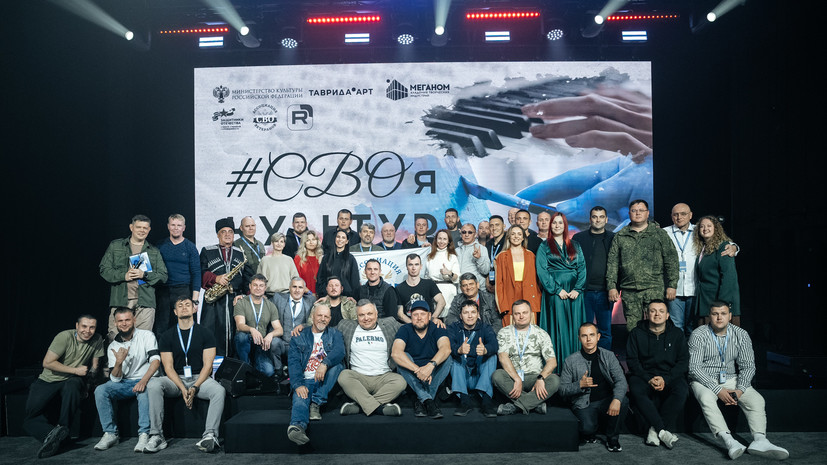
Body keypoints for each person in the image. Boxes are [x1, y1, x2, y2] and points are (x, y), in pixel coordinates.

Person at [688, 302, 789, 460]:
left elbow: (748, 366)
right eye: (715, 314)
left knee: (757, 400)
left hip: (731, 378)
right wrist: (718, 390)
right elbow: (694, 368)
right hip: (704, 379)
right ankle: (730, 441)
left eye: (723, 313)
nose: (719, 317)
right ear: (709, 316)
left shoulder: (741, 334)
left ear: (730, 316)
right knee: (706, 398)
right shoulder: (699, 334)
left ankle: (760, 440)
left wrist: (740, 389)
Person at [145, 297, 225, 453]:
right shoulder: (167, 336)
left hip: (200, 378)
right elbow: (168, 367)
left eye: (188, 304)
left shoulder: (206, 333)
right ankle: (157, 435)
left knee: (219, 390)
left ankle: (210, 435)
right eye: (180, 305)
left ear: (194, 309)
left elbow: (208, 366)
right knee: (154, 384)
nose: (184, 307)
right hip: (175, 380)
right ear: (175, 312)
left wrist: (195, 387)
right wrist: (183, 388)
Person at [24, 315, 104, 459]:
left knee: (73, 385)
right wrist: (75, 370)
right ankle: (54, 436)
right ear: (77, 326)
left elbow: (95, 367)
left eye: (92, 327)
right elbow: (47, 363)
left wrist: (88, 385)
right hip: (48, 380)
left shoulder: (97, 339)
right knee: (29, 420)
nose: (88, 331)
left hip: (72, 380)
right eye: (84, 326)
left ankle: (62, 428)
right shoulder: (64, 337)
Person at [94, 307, 160, 452]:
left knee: (145, 391)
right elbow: (115, 379)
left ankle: (144, 434)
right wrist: (118, 362)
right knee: (101, 390)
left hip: (146, 379)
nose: (124, 323)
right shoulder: (113, 345)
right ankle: (110, 434)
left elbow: (156, 361)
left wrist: (143, 381)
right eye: (120, 321)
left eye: (127, 320)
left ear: (134, 320)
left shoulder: (147, 335)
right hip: (125, 383)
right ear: (115, 323)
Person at [607, 199, 679, 331]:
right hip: (630, 290)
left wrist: (672, 285)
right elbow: (613, 263)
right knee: (633, 330)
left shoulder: (659, 234)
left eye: (641, 210)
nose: (638, 213)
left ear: (648, 213)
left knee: (656, 327)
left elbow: (671, 260)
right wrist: (611, 286)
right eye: (634, 210)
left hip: (654, 289)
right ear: (629, 213)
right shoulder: (620, 236)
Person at [665, 205, 739, 333]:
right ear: (671, 216)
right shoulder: (664, 233)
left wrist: (734, 247)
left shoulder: (697, 230)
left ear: (690, 215)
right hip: (675, 289)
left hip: (696, 291)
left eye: (683, 214)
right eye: (675, 214)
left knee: (694, 327)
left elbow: (722, 241)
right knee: (677, 326)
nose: (679, 217)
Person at [625, 300, 688, 449]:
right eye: (653, 311)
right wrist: (648, 379)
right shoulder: (636, 333)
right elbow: (632, 361)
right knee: (636, 388)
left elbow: (683, 362)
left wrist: (666, 379)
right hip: (644, 375)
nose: (657, 314)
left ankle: (655, 430)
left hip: (669, 375)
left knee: (682, 390)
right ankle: (662, 430)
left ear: (667, 315)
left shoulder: (677, 334)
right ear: (647, 314)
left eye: (661, 311)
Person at [559, 323, 629, 452]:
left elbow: (621, 380)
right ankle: (592, 430)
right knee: (587, 428)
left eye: (592, 335)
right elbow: (562, 389)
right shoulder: (570, 360)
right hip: (584, 404)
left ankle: (612, 438)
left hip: (606, 400)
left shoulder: (609, 356)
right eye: (584, 336)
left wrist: (616, 399)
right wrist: (580, 385)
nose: (588, 339)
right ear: (579, 338)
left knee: (623, 401)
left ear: (598, 337)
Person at [100, 214, 168, 342]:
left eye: (145, 228)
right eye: (138, 227)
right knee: (115, 339)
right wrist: (123, 275)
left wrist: (144, 275)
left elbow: (163, 276)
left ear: (149, 230)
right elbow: (104, 269)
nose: (142, 230)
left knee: (142, 341)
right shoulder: (116, 246)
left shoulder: (153, 251)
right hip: (120, 300)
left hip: (145, 302)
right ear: (131, 227)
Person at [286, 304, 345, 446]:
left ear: (330, 319)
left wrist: (324, 364)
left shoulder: (335, 334)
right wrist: (298, 384)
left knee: (338, 366)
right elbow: (293, 363)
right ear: (312, 316)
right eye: (319, 315)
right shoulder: (299, 336)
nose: (323, 319)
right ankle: (297, 428)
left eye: (326, 316)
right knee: (300, 398)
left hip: (324, 380)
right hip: (305, 379)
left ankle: (316, 403)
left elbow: (340, 351)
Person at [337, 300, 406, 417]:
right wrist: (304, 326)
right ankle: (379, 409)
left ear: (376, 313)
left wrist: (433, 322)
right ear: (356, 316)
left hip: (383, 377)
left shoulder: (389, 323)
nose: (366, 318)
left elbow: (411, 328)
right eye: (361, 315)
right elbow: (324, 329)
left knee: (400, 382)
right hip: (358, 378)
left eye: (369, 314)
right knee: (343, 376)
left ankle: (360, 406)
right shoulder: (346, 326)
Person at [537, 212, 587, 370]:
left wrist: (578, 289)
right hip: (555, 293)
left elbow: (582, 268)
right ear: (550, 225)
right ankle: (558, 368)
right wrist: (557, 290)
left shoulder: (576, 245)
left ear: (565, 225)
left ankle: (576, 367)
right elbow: (542, 271)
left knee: (575, 328)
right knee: (559, 328)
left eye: (560, 222)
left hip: (574, 294)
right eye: (554, 222)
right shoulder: (544, 246)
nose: (557, 225)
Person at [492, 300, 560, 416]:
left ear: (531, 314)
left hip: (535, 378)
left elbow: (552, 362)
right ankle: (535, 404)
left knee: (555, 380)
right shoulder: (504, 332)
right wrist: (517, 378)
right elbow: (503, 357)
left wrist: (540, 378)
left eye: (525, 312)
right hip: (512, 379)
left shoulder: (541, 333)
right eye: (517, 313)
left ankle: (516, 406)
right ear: (512, 316)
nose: (521, 316)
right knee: (497, 375)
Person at [391, 299, 452, 419]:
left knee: (448, 358)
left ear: (429, 316)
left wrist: (430, 366)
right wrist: (418, 370)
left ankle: (420, 399)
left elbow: (446, 349)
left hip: (433, 374)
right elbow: (396, 353)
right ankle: (429, 401)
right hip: (412, 374)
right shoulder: (405, 329)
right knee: (402, 358)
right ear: (411, 317)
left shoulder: (437, 327)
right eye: (415, 315)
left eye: (423, 314)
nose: (419, 318)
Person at [200, 217, 251, 357]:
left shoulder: (241, 253)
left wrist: (245, 296)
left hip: (235, 300)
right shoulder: (207, 251)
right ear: (218, 234)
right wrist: (215, 278)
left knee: (236, 335)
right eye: (223, 232)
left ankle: (233, 367)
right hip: (214, 302)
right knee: (211, 333)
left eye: (230, 232)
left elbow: (247, 279)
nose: (228, 234)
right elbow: (200, 272)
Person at [572, 206, 615, 350]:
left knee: (605, 331)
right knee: (584, 330)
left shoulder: (614, 238)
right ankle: (584, 361)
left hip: (605, 292)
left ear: (606, 219)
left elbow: (618, 265)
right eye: (595, 217)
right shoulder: (579, 238)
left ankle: (604, 361)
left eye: (601, 217)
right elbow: (572, 264)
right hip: (585, 292)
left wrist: (615, 287)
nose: (598, 220)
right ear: (590, 219)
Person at [447, 300, 498, 417]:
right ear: (460, 316)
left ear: (478, 314)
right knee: (454, 357)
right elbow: (448, 345)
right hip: (462, 376)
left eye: (473, 312)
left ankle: (486, 401)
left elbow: (494, 345)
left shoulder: (485, 328)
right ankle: (464, 401)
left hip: (480, 376)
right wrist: (459, 350)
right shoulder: (453, 328)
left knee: (492, 356)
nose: (470, 316)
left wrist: (485, 350)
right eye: (466, 313)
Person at [156, 214, 201, 335]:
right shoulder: (159, 246)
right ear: (168, 226)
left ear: (184, 228)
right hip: (163, 291)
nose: (176, 228)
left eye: (179, 225)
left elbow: (197, 274)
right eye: (173, 225)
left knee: (184, 326)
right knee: (162, 327)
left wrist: (195, 300)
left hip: (183, 290)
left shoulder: (190, 247)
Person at [233, 274, 284, 379]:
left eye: (261, 286)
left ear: (265, 288)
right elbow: (240, 325)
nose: (258, 288)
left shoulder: (270, 305)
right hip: (246, 340)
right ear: (250, 286)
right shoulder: (241, 302)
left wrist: (270, 335)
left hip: (261, 344)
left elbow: (279, 329)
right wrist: (252, 329)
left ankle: (255, 367)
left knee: (268, 372)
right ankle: (245, 366)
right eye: (255, 285)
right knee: (241, 337)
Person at [693, 216, 741, 327]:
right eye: (702, 226)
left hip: (720, 304)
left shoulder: (724, 247)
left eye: (709, 226)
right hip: (706, 302)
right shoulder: (703, 248)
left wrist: (722, 304)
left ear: (716, 228)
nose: (705, 229)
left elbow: (729, 278)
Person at [495, 224, 542, 326]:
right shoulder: (501, 257)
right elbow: (499, 284)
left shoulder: (531, 255)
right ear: (508, 236)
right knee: (511, 330)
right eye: (513, 234)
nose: (516, 236)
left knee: (530, 329)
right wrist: (502, 306)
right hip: (510, 295)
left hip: (529, 294)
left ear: (523, 237)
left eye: (519, 234)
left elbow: (536, 281)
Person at [272, 278, 316, 374]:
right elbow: (262, 300)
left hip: (299, 344)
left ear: (304, 290)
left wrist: (303, 325)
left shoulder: (311, 300)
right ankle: (278, 371)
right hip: (282, 342)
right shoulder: (278, 298)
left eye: (300, 287)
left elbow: (315, 321)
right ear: (289, 288)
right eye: (294, 287)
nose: (297, 290)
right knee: (274, 342)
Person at [395, 253, 446, 326]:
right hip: (410, 326)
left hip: (428, 325)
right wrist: (415, 325)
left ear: (421, 266)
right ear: (406, 267)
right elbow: (400, 314)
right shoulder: (399, 288)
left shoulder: (429, 284)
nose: (413, 268)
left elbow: (441, 302)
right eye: (410, 265)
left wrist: (432, 319)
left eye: (416, 264)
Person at [424, 229, 460, 319]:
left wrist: (449, 273)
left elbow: (457, 278)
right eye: (439, 238)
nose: (441, 241)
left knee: (448, 318)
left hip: (448, 290)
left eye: (444, 239)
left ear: (448, 241)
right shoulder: (429, 257)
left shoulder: (452, 257)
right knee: (433, 318)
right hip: (433, 291)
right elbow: (426, 276)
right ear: (436, 240)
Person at [257, 232, 300, 306]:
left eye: (281, 241)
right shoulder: (265, 260)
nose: (279, 244)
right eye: (276, 241)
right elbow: (259, 279)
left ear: (284, 244)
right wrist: (261, 294)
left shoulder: (289, 259)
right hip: (269, 296)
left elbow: (295, 278)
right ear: (272, 243)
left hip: (286, 295)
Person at [316, 230, 360, 299]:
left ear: (347, 241)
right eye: (338, 237)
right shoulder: (326, 258)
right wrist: (324, 293)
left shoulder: (351, 259)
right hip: (328, 297)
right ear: (334, 239)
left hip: (346, 297)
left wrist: (353, 297)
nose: (340, 239)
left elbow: (355, 281)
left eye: (343, 238)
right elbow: (320, 278)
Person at [293, 230, 322, 295]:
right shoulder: (299, 258)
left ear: (317, 241)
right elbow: (296, 278)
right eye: (308, 240)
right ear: (304, 243)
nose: (311, 242)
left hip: (321, 295)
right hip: (304, 294)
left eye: (313, 239)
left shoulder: (321, 258)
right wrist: (310, 293)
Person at [484, 215, 507, 294]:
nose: (494, 228)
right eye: (491, 226)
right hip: (490, 284)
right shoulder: (488, 244)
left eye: (497, 225)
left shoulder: (508, 242)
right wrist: (487, 279)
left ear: (504, 226)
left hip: (504, 284)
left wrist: (498, 284)